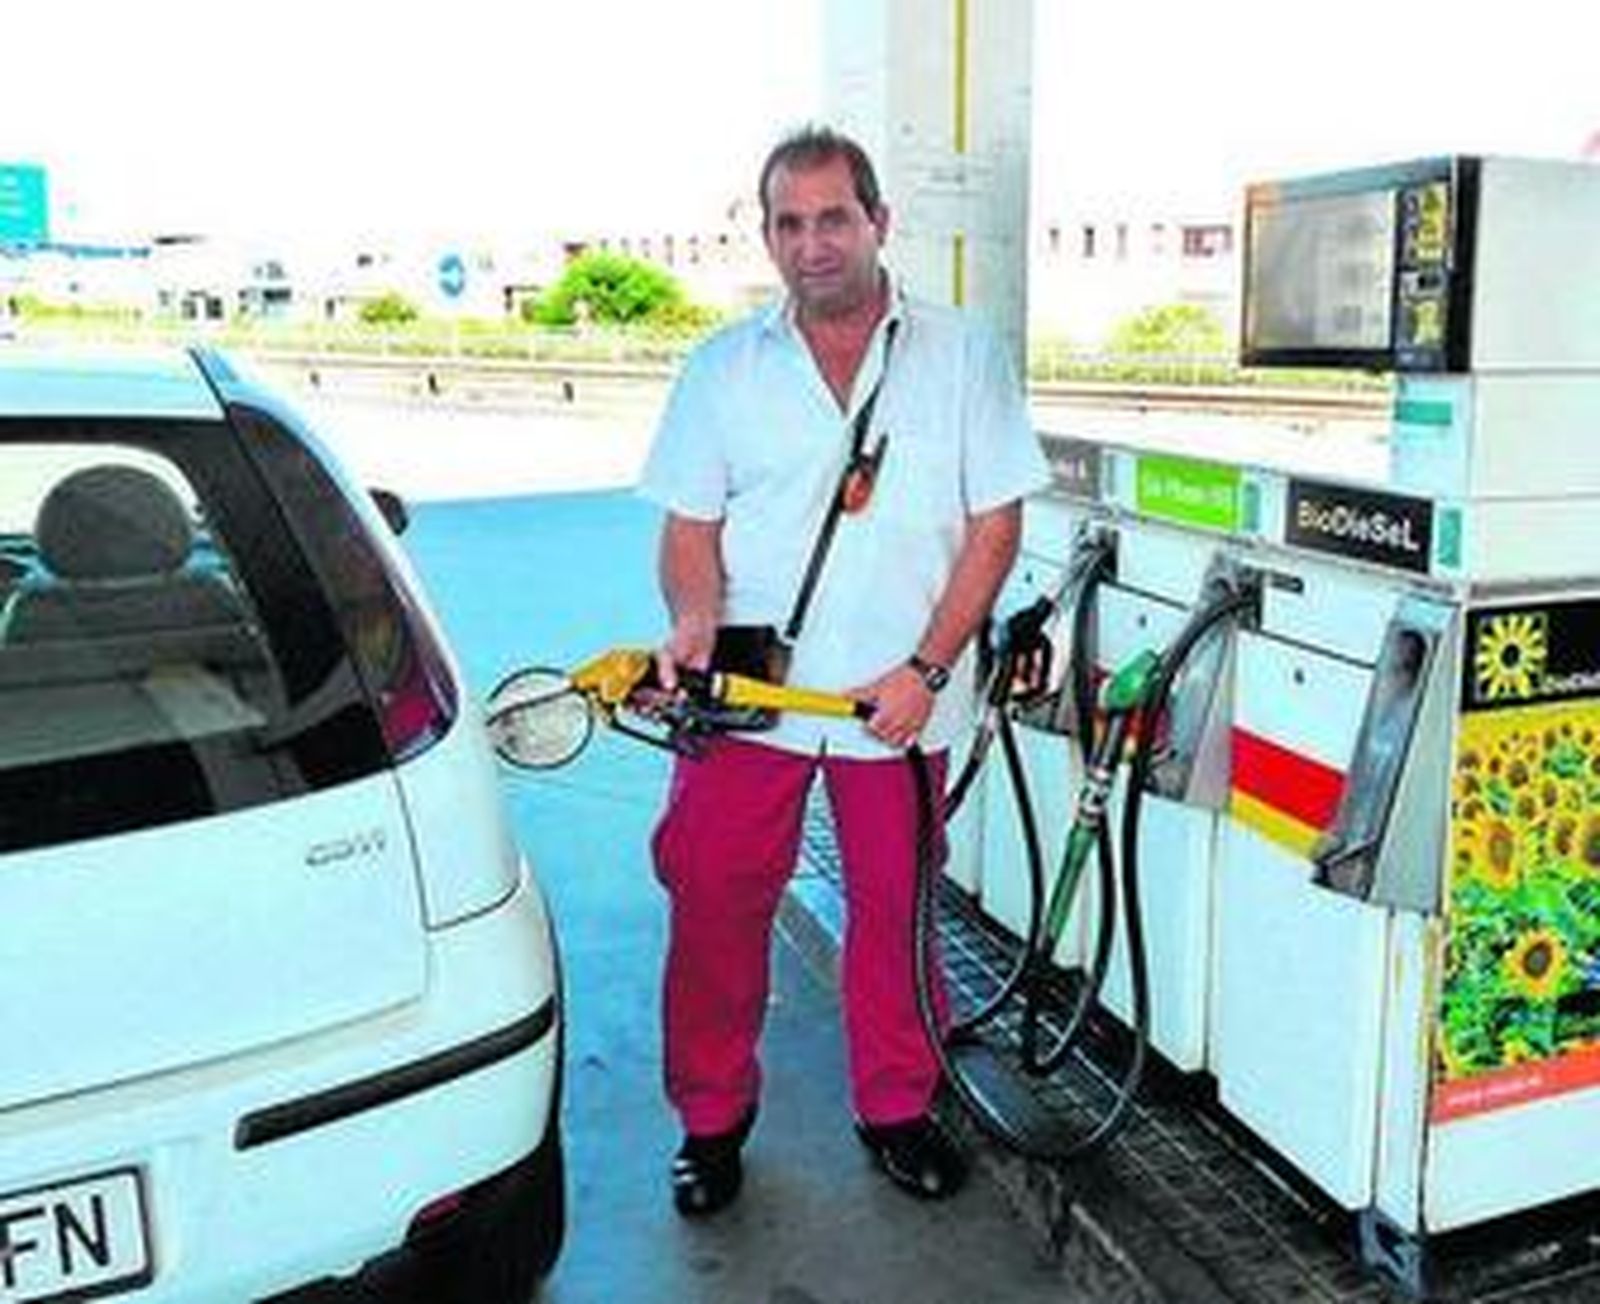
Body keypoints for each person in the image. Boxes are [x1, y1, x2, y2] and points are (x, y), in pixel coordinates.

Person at [638, 125, 1049, 1218]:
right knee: (714, 904)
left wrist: (928, 668)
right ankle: (710, 1121)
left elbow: (995, 528)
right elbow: (689, 529)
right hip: (749, 697)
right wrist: (692, 618)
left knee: (894, 908)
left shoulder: (962, 355)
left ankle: (896, 1106)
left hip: (897, 699)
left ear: (878, 222)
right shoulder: (722, 367)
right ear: (767, 234)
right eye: (790, 222)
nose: (812, 243)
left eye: (833, 218)